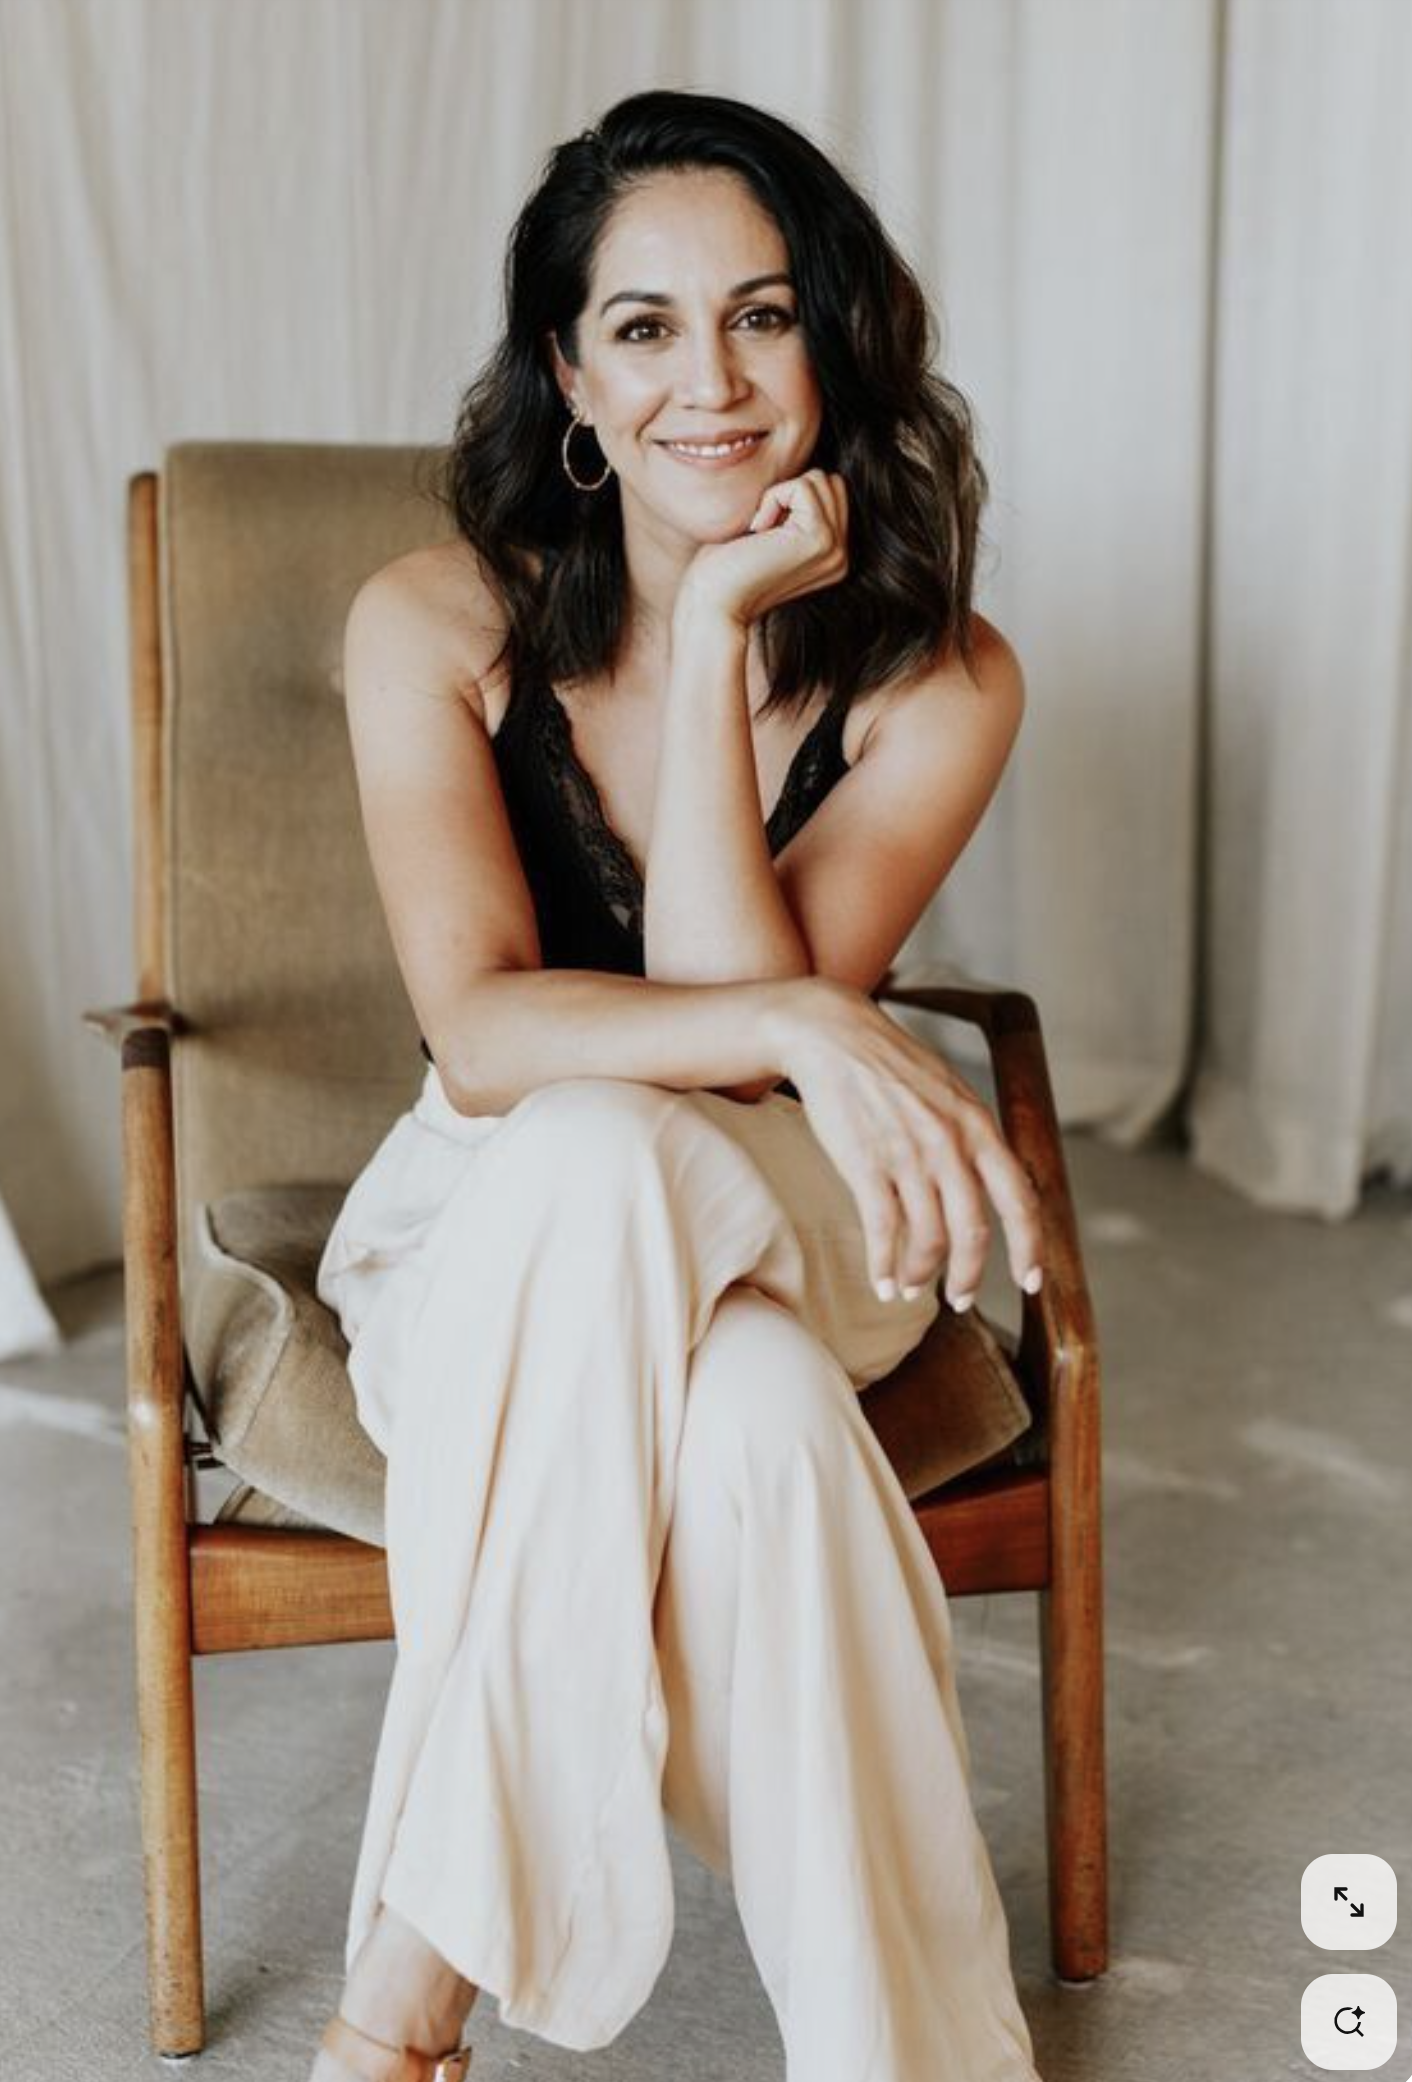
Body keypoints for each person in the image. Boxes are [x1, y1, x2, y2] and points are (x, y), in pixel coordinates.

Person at [309, 87, 1048, 2082]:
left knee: (623, 1148)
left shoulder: (943, 676)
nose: (707, 382)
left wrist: (719, 633)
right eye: (641, 328)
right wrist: (803, 1022)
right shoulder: (431, 624)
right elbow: (484, 1033)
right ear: (567, 375)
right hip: (485, 1243)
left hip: (795, 1213)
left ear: (834, 342)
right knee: (742, 1422)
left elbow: (722, 1022)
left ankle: (404, 2002)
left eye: (760, 316)